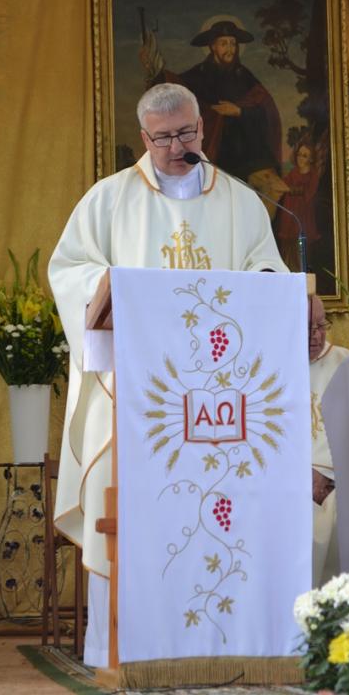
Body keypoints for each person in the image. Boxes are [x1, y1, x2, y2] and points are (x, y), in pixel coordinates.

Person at [48, 83, 288, 665]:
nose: (177, 147)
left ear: (202, 128)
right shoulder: (108, 200)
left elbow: (267, 268)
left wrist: (263, 281)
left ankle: (224, 645)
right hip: (137, 396)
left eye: (186, 133)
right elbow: (69, 269)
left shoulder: (241, 202)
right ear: (144, 137)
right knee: (136, 516)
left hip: (218, 397)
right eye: (163, 138)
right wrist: (106, 285)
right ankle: (123, 650)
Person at [140, 20, 290, 216]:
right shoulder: (198, 75)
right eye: (224, 43)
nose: (230, 49)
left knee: (275, 189)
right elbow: (174, 90)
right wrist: (156, 72)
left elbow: (265, 109)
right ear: (212, 46)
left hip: (249, 154)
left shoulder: (244, 76)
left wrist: (239, 111)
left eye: (233, 43)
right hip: (215, 154)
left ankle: (258, 232)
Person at [308, 294, 349, 587]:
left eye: (321, 325)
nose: (316, 335)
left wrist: (328, 473)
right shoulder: (267, 366)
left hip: (338, 484)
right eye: (307, 327)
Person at [277, 133, 327, 270]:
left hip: (303, 217)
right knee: (288, 251)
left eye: (304, 156)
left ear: (311, 159)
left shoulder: (313, 175)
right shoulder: (293, 172)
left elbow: (308, 194)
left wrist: (290, 189)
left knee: (301, 253)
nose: (300, 158)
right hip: (289, 218)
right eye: (299, 154)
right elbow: (283, 184)